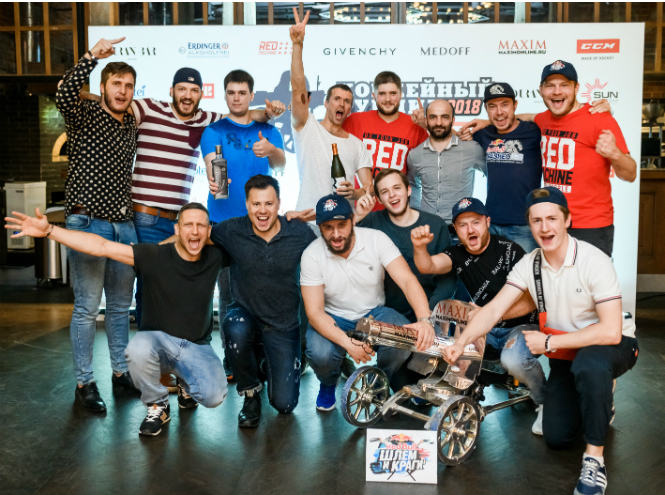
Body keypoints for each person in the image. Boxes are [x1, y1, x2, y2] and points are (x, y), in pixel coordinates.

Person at [442, 187, 638, 495]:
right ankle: (599, 398)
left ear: (567, 220)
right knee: (557, 436)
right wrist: (461, 341)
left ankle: (594, 462)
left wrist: (547, 345)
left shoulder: (593, 260)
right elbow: (493, 309)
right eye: (536, 221)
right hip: (566, 352)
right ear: (529, 225)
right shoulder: (530, 264)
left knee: (590, 366)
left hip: (611, 345)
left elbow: (611, 331)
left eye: (552, 219)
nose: (545, 228)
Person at [6, 203, 229, 437]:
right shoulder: (154, 255)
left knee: (214, 395)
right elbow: (100, 246)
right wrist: (50, 230)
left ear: (209, 231)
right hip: (157, 348)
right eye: (188, 225)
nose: (195, 231)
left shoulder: (215, 257)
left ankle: (184, 381)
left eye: (201, 226)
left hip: (196, 346)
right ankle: (158, 405)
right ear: (177, 229)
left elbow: (245, 243)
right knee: (139, 348)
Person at [461, 61, 632, 257]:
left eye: (564, 85)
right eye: (550, 85)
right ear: (541, 90)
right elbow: (524, 117)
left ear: (576, 88)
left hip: (590, 225)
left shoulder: (599, 119)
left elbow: (630, 174)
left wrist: (615, 154)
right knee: (550, 275)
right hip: (551, 222)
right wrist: (488, 122)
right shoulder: (543, 120)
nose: (557, 91)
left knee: (589, 276)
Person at [55, 37, 140, 411]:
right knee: (88, 308)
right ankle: (84, 383)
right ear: (103, 87)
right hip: (87, 222)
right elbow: (64, 94)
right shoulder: (83, 114)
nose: (122, 91)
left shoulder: (131, 123)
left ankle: (121, 374)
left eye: (128, 85)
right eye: (116, 84)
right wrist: (91, 56)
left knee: (120, 308)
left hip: (125, 225)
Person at [411, 196, 545, 434]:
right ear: (456, 230)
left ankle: (545, 400)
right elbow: (427, 266)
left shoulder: (510, 250)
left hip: (521, 326)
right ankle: (453, 390)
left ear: (487, 222)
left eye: (475, 222)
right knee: (451, 343)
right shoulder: (456, 254)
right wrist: (420, 247)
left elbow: (532, 301)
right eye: (462, 225)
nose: (470, 229)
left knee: (513, 361)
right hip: (486, 328)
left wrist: (493, 315)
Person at [300, 193, 436, 411]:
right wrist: (347, 342)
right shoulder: (312, 254)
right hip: (333, 316)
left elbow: (407, 280)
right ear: (320, 228)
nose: (336, 234)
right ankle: (328, 383)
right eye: (328, 227)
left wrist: (425, 320)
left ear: (352, 220)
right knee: (319, 354)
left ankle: (380, 380)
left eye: (342, 225)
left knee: (403, 337)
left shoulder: (376, 239)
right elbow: (314, 313)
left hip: (374, 313)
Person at [206, 175, 316, 428]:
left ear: (279, 204)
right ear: (247, 204)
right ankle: (251, 392)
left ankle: (267, 363)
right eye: (256, 204)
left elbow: (331, 246)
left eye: (268, 203)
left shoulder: (299, 232)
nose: (262, 210)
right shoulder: (232, 229)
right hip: (246, 315)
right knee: (234, 326)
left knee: (285, 405)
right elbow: (198, 235)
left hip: (283, 324)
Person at [200, 69, 287, 382]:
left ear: (251, 95)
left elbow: (280, 164)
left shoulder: (267, 130)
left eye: (242, 93)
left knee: (262, 292)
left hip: (261, 224)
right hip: (224, 224)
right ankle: (232, 356)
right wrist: (213, 179)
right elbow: (212, 164)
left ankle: (261, 354)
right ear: (225, 95)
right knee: (228, 294)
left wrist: (271, 150)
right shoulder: (214, 131)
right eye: (231, 93)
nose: (236, 98)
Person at [289, 9, 373, 220]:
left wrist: (355, 193)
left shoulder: (357, 145)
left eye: (347, 101)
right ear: (326, 103)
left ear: (350, 109)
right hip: (307, 222)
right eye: (337, 99)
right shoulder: (306, 127)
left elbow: (369, 189)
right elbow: (298, 87)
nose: (342, 104)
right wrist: (298, 46)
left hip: (342, 226)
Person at [354, 169, 456, 321]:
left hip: (429, 310)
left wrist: (429, 313)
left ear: (408, 190)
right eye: (384, 191)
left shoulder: (435, 224)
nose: (392, 195)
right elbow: (338, 243)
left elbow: (448, 277)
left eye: (397, 188)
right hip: (385, 314)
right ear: (379, 199)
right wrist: (358, 216)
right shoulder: (371, 221)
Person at [463, 82, 541, 253]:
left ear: (515, 105)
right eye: (492, 106)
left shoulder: (534, 131)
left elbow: (559, 119)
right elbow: (452, 136)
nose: (499, 112)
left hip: (524, 225)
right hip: (491, 223)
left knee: (524, 271)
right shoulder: (483, 134)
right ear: (486, 109)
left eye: (505, 104)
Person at [343, 71, 429, 211]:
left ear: (401, 95)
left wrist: (427, 124)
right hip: (361, 209)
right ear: (374, 96)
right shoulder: (355, 120)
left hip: (397, 211)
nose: (388, 99)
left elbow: (441, 148)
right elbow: (326, 132)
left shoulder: (415, 125)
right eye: (382, 94)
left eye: (393, 93)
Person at [407, 99, 487, 231]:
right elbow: (413, 185)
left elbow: (494, 177)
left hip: (461, 231)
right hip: (427, 229)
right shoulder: (415, 155)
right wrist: (415, 215)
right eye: (433, 117)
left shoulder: (472, 149)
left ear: (453, 120)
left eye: (444, 117)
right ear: (426, 121)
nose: (439, 123)